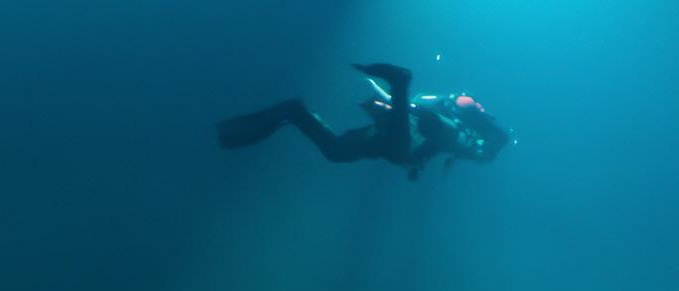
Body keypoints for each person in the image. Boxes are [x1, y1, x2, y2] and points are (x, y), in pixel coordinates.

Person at [217, 62, 509, 179]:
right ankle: (400, 80)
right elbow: (429, 127)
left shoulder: (447, 117)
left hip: (389, 136)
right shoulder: (458, 130)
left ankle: (296, 112)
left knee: (335, 151)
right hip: (399, 140)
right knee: (401, 144)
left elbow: (420, 118)